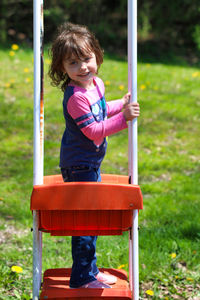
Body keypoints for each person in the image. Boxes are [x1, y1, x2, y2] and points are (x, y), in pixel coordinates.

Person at [48, 22, 140, 289]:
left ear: (97, 56)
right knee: (85, 225)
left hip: (89, 164)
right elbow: (93, 130)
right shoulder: (75, 97)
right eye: (73, 63)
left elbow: (100, 109)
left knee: (91, 223)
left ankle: (90, 269)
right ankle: (81, 277)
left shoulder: (96, 84)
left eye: (87, 59)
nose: (83, 67)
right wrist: (123, 119)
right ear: (62, 69)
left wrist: (119, 105)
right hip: (78, 166)